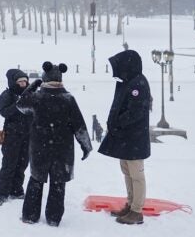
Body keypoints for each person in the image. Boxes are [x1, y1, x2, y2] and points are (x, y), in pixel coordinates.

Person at [17, 62, 91, 227]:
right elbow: (79, 126)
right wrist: (86, 146)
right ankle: (53, 218)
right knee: (58, 184)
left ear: (45, 78)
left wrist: (33, 86)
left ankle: (30, 215)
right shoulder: (68, 99)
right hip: (62, 150)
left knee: (36, 181)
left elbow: (20, 105)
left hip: (39, 148)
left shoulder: (36, 97)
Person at [98, 50, 151, 225]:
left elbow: (135, 112)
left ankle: (137, 211)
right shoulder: (128, 82)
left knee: (136, 174)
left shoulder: (138, 84)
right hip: (126, 137)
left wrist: (117, 122)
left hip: (134, 137)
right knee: (127, 172)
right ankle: (130, 204)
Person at [0, 69, 33, 205]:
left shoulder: (30, 94)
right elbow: (5, 112)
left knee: (22, 164)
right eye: (20, 81)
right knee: (9, 165)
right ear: (13, 82)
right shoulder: (7, 95)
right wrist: (18, 104)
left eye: (25, 81)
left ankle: (16, 190)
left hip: (27, 136)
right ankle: (0, 194)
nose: (23, 84)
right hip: (12, 136)